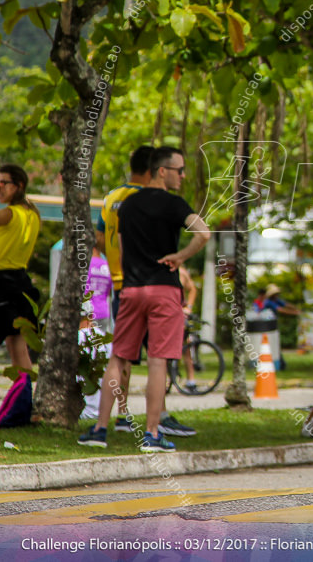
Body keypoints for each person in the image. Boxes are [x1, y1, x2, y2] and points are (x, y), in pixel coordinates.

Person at [79, 146, 210, 452]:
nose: (183, 175)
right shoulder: (174, 204)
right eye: (179, 170)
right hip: (164, 290)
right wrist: (180, 256)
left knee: (118, 358)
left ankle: (99, 429)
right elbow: (203, 233)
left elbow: (122, 251)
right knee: (157, 361)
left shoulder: (127, 206)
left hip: (131, 290)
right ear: (161, 171)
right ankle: (152, 434)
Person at [0, 165, 40, 383]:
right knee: (18, 347)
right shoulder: (32, 213)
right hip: (19, 283)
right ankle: (26, 402)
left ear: (19, 186)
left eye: (3, 183)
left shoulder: (9, 213)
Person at [80, 247, 113, 420]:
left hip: (85, 311)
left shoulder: (83, 263)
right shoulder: (106, 264)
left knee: (83, 347)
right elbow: (109, 292)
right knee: (101, 352)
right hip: (103, 311)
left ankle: (88, 396)